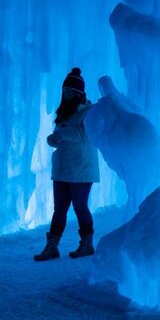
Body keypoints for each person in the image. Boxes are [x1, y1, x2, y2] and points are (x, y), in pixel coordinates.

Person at [34, 67, 100, 262]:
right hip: (64, 167)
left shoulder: (89, 111)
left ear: (79, 93)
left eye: (71, 91)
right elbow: (67, 136)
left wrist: (60, 135)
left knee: (80, 206)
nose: (67, 93)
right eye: (65, 90)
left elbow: (87, 135)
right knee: (60, 208)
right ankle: (52, 246)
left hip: (81, 168)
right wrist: (54, 139)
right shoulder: (63, 114)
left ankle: (87, 244)